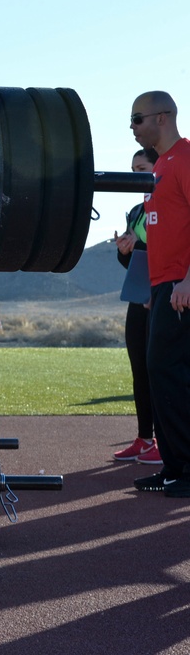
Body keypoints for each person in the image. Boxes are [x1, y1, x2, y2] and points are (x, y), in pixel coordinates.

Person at [129, 91, 190, 497]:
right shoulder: (161, 166)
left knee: (168, 372)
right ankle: (173, 468)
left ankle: (184, 471)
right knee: (160, 373)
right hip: (161, 287)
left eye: (137, 118)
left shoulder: (185, 158)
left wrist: (189, 279)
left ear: (163, 117)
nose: (132, 127)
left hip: (181, 285)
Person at [112, 149, 161, 463]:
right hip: (138, 296)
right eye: (132, 170)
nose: (135, 176)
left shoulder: (173, 202)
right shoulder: (135, 210)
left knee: (162, 369)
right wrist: (125, 250)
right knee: (139, 369)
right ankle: (145, 438)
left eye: (141, 168)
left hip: (165, 295)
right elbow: (131, 262)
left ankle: (167, 441)